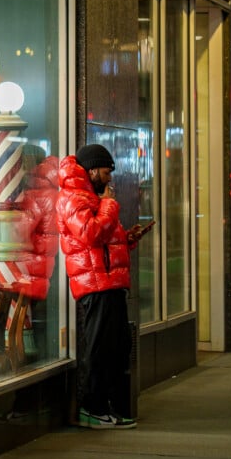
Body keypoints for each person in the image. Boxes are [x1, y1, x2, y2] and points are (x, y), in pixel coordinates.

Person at [56, 144, 148, 430]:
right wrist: (109, 205)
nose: (109, 179)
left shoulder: (88, 197)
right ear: (93, 169)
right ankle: (91, 409)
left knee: (117, 348)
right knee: (99, 349)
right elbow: (91, 233)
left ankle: (110, 407)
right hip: (95, 286)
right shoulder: (72, 197)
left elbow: (102, 239)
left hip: (108, 282)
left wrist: (127, 238)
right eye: (107, 172)